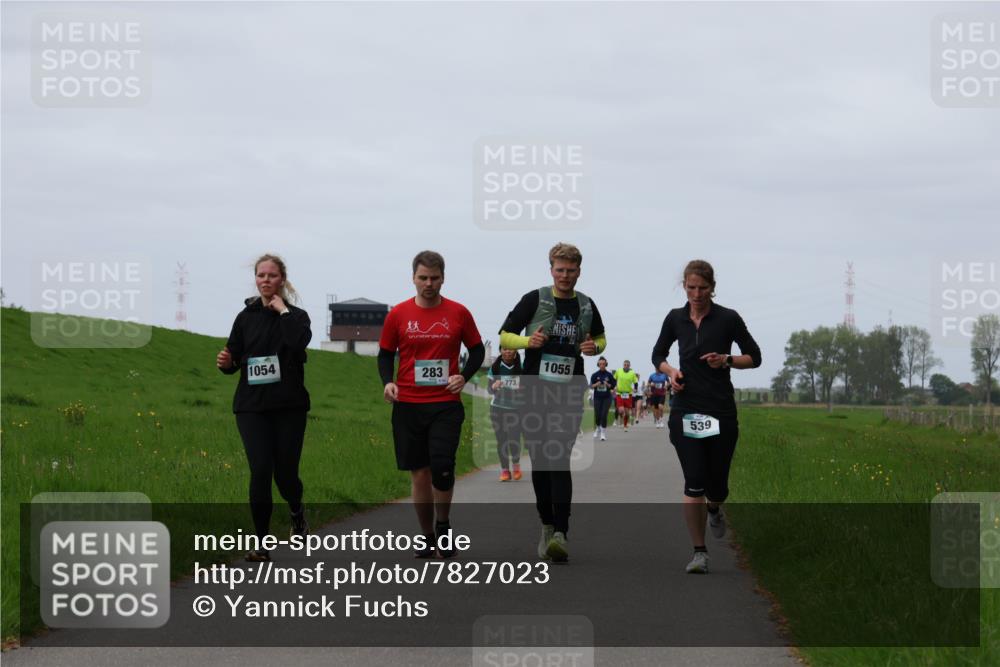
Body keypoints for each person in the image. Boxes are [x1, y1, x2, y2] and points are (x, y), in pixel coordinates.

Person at [651, 260, 761, 574]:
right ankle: (699, 552)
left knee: (718, 486)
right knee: (694, 482)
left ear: (712, 287)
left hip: (720, 409)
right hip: (686, 407)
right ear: (683, 287)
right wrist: (671, 372)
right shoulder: (675, 319)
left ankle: (715, 507)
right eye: (691, 288)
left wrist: (726, 360)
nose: (696, 294)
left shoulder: (728, 318)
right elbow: (658, 355)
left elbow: (755, 357)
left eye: (702, 288)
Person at [499, 243, 606, 563]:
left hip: (569, 390)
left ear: (579, 272)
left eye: (571, 270)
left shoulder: (586, 305)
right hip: (534, 390)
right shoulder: (534, 299)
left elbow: (600, 338)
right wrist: (526, 342)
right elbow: (505, 335)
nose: (565, 275)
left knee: (558, 457)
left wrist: (593, 347)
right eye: (560, 269)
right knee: (541, 460)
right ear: (551, 270)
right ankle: (547, 524)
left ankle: (562, 532)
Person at [378, 251, 485, 559]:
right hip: (409, 404)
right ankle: (426, 536)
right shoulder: (398, 314)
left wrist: (463, 377)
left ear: (443, 278)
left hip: (445, 404)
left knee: (442, 467)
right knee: (420, 473)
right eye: (423, 277)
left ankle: (443, 525)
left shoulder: (458, 313)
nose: (428, 284)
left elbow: (476, 350)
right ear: (413, 278)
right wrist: (388, 381)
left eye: (434, 278)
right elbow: (385, 354)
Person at [217, 254, 312, 562]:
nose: (266, 280)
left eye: (272, 275)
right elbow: (233, 357)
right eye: (261, 275)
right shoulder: (245, 318)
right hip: (251, 407)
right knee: (260, 470)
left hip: (288, 406)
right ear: (256, 279)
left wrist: (283, 311)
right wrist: (226, 363)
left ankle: (296, 511)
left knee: (285, 476)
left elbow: (298, 343)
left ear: (281, 280)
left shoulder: (297, 316)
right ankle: (260, 543)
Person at [487, 347, 524, 481]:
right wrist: (494, 386)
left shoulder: (522, 367)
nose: (507, 352)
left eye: (511, 350)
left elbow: (529, 386)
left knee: (514, 439)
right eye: (504, 349)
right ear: (500, 351)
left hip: (516, 409)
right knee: (501, 440)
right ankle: (504, 470)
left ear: (515, 352)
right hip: (497, 408)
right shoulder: (495, 367)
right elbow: (489, 389)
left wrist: (522, 388)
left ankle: (516, 466)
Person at [590, 356, 615, 441]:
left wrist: (607, 384)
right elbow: (591, 386)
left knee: (604, 415)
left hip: (607, 397)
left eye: (603, 364)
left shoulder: (609, 375)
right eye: (600, 364)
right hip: (597, 397)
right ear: (598, 364)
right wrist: (596, 384)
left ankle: (603, 433)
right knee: (597, 415)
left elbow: (613, 386)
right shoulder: (594, 375)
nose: (602, 365)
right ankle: (598, 428)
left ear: (606, 364)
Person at [613, 360, 637, 432]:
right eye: (625, 365)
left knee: (626, 412)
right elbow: (614, 379)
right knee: (621, 410)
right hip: (619, 393)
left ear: (629, 366)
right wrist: (614, 386)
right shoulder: (619, 371)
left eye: (627, 365)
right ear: (623, 365)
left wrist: (635, 388)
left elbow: (635, 382)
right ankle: (621, 418)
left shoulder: (632, 373)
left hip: (628, 394)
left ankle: (625, 425)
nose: (626, 366)